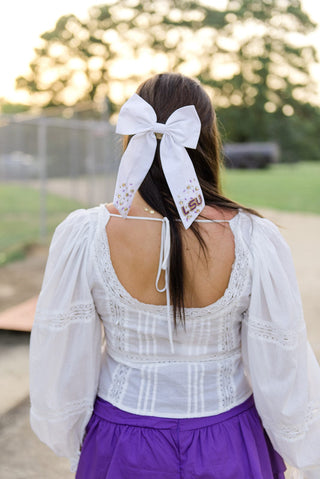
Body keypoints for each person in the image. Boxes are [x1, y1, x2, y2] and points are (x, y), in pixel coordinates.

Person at [29, 73, 320, 479]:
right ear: (207, 142)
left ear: (132, 137)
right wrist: (298, 441)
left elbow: (62, 355)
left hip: (121, 441)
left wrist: (70, 433)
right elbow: (281, 363)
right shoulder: (255, 238)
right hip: (229, 440)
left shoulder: (86, 234)